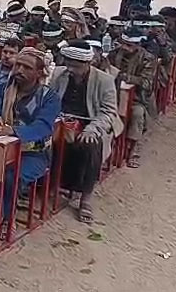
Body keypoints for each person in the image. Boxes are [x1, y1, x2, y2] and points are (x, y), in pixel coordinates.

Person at [49, 40, 123, 224]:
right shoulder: (59, 74)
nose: (71, 69)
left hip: (91, 122)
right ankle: (50, 184)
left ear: (88, 63)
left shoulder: (105, 80)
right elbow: (49, 100)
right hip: (62, 121)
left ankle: (86, 197)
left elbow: (108, 112)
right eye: (69, 64)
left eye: (76, 66)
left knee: (91, 144)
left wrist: (92, 129)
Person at [0, 48, 61, 226]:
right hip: (1, 148)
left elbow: (43, 127)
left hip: (34, 154)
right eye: (18, 65)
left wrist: (12, 130)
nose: (19, 70)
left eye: (27, 67)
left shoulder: (49, 97)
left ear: (39, 73)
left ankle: (5, 218)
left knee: (11, 176)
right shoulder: (2, 89)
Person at [108, 27, 155, 168]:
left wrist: (125, 77)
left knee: (137, 113)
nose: (125, 48)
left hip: (136, 97)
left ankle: (133, 149)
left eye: (129, 45)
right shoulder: (113, 54)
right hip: (112, 94)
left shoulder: (147, 58)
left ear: (138, 45)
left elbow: (146, 83)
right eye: (123, 44)